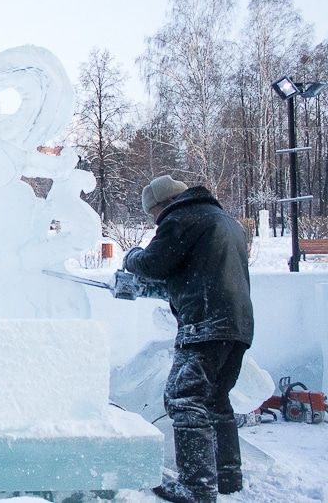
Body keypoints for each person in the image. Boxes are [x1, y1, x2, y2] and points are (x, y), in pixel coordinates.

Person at [123, 175, 254, 503]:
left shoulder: (180, 218)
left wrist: (131, 256)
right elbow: (194, 272)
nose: (155, 221)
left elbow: (152, 264)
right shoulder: (222, 220)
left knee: (184, 398)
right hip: (237, 325)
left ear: (162, 204)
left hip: (204, 325)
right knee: (215, 399)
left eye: (153, 214)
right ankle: (227, 477)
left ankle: (196, 486)